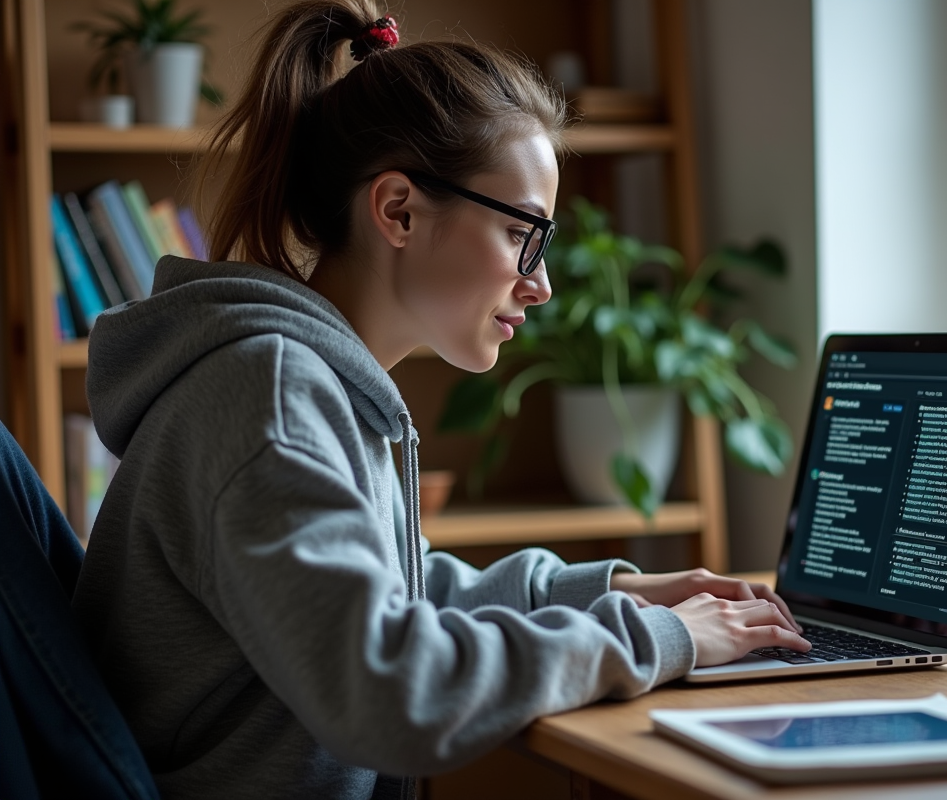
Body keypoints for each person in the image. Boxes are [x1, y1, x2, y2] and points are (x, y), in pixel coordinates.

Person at [70, 1, 810, 798]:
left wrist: (609, 592)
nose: (542, 282)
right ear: (398, 210)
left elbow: (394, 595)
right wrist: (658, 635)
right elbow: (393, 689)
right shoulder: (272, 400)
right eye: (524, 233)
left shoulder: (308, 382)